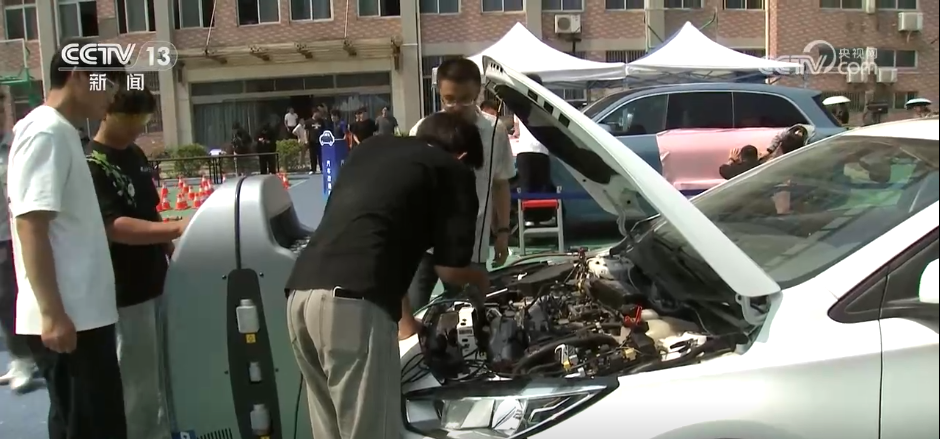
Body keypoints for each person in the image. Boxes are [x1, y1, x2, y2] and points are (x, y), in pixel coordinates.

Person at [285, 112, 488, 439]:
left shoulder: (371, 150)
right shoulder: (452, 171)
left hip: (301, 295)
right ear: (462, 157)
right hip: (352, 308)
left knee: (330, 431)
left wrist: (408, 326)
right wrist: (481, 281)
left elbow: (382, 243)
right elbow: (449, 271)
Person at [7, 42, 127, 439]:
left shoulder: (61, 132)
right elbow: (31, 224)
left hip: (82, 315)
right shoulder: (46, 132)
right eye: (108, 81)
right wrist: (53, 313)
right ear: (78, 75)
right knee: (91, 427)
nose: (114, 93)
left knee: (80, 424)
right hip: (70, 318)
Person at [86, 87, 187, 439]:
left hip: (157, 278)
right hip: (125, 288)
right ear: (106, 112)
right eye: (129, 118)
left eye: (142, 119)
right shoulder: (93, 163)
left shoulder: (135, 153)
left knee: (164, 369)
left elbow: (149, 210)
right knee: (136, 378)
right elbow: (114, 227)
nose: (136, 127)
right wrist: (176, 227)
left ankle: (162, 430)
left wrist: (172, 248)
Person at [407, 57, 515, 312]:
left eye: (465, 99)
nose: (456, 107)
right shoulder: (422, 130)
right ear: (439, 93)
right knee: (412, 315)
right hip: (424, 246)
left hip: (471, 246)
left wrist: (502, 232)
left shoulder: (494, 131)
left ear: (478, 92)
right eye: (449, 99)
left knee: (473, 314)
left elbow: (500, 184)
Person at [0, 94, 39, 394]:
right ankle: (20, 357)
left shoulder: (16, 147)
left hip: (12, 237)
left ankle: (26, 359)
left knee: (13, 298)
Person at [513, 74, 555, 227]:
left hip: (524, 150)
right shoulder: (544, 105)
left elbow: (517, 130)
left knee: (527, 186)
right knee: (542, 185)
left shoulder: (518, 104)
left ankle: (528, 218)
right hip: (540, 150)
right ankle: (543, 217)